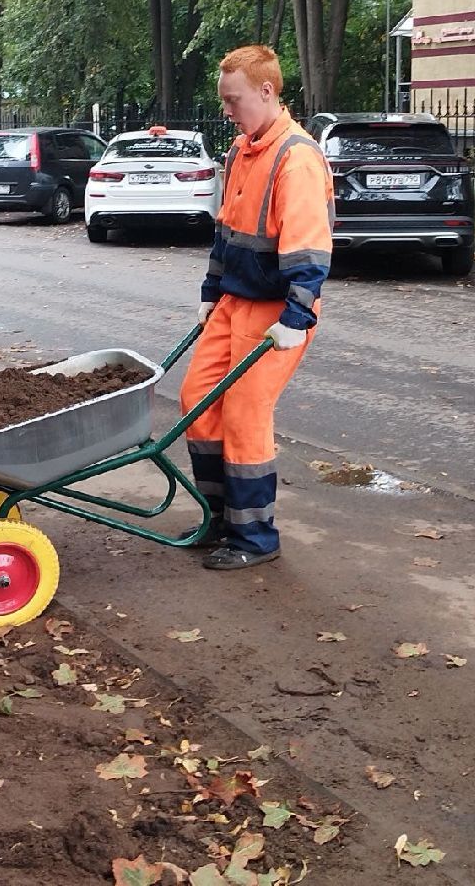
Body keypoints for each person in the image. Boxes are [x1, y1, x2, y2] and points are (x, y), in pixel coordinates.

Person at [179, 44, 333, 570]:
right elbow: (227, 233)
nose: (227, 111)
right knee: (197, 402)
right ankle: (221, 518)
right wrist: (209, 293)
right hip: (233, 303)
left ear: (266, 92)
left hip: (277, 313)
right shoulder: (241, 151)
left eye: (234, 100)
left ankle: (255, 537)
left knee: (245, 413)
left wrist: (297, 316)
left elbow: (310, 248)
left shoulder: (297, 158)